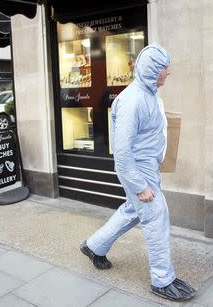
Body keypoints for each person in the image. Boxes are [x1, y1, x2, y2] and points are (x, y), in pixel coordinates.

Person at [80, 43, 196, 302]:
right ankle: (163, 280)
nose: (169, 72)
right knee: (156, 218)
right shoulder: (133, 100)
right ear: (154, 69)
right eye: (165, 68)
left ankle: (94, 246)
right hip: (138, 170)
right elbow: (121, 152)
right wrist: (139, 185)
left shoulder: (150, 94)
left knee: (132, 212)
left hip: (146, 168)